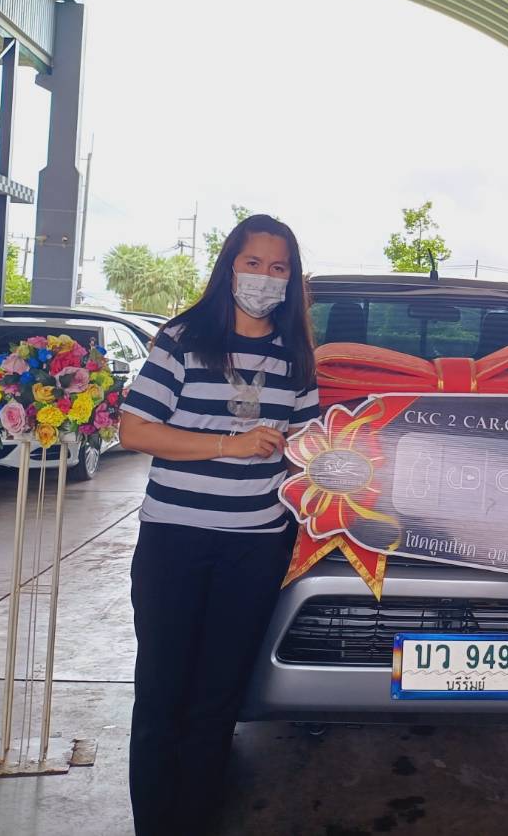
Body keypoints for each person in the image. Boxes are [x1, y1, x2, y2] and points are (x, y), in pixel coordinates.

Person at [119, 214, 320, 836]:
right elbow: (134, 430)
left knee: (216, 703)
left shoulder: (294, 357)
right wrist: (230, 446)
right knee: (162, 696)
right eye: (253, 263)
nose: (264, 277)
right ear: (230, 267)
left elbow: (308, 448)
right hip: (175, 541)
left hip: (255, 548)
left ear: (291, 279)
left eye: (278, 267)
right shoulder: (183, 340)